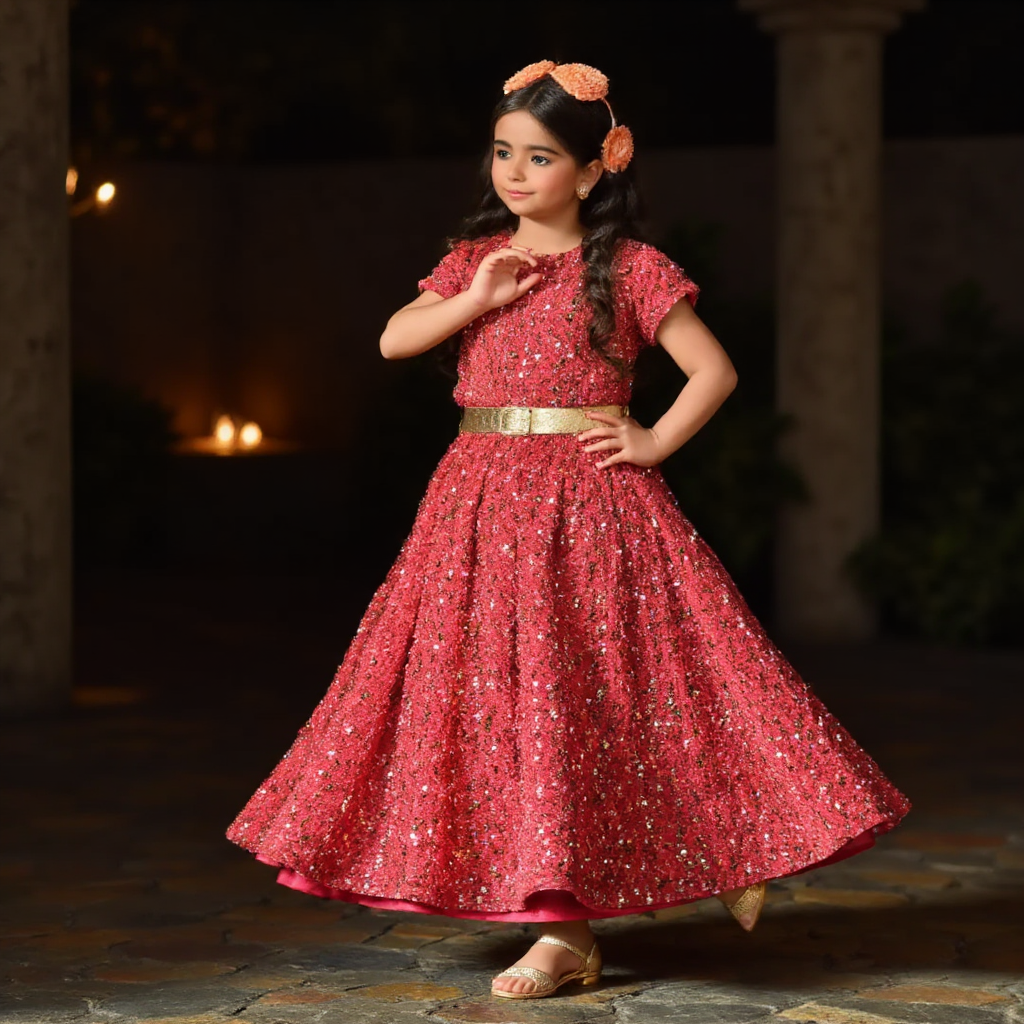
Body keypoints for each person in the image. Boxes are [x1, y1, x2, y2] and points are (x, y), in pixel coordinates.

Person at [225, 60, 911, 1001]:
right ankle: (550, 912)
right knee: (494, 707)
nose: (514, 172)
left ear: (592, 171)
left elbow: (712, 371)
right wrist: (480, 298)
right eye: (503, 152)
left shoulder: (627, 267)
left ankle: (571, 925)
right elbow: (395, 338)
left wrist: (652, 440)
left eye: (540, 157)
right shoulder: (476, 261)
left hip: (590, 510)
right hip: (475, 508)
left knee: (586, 700)